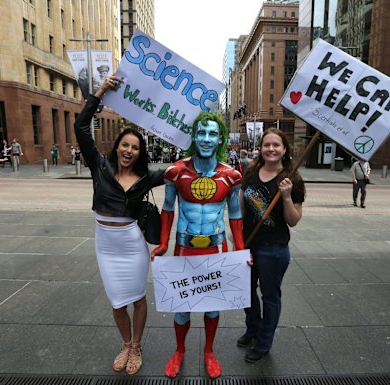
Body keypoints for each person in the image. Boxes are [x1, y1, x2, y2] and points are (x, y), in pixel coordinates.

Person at [74, 74, 165, 376]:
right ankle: (125, 343)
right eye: (125, 145)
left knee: (137, 298)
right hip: (106, 246)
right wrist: (99, 92)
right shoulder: (99, 166)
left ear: (140, 153)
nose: (129, 150)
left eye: (135, 148)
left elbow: (181, 168)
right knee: (116, 303)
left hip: (131, 245)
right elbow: (80, 127)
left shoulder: (146, 178)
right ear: (117, 147)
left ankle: (136, 347)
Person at [150, 111, 246, 379]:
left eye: (212, 134)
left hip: (216, 249)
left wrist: (239, 250)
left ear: (220, 140)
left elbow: (235, 215)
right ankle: (179, 350)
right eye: (201, 133)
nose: (206, 138)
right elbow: (168, 208)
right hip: (184, 248)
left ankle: (209, 351)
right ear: (193, 136)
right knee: (182, 307)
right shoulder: (176, 172)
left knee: (213, 306)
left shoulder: (232, 176)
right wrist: (162, 243)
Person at [237, 128, 305, 363]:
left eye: (276, 145)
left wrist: (286, 196)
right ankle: (253, 328)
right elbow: (241, 210)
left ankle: (264, 342)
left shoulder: (291, 179)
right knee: (245, 292)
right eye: (267, 145)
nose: (271, 149)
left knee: (269, 296)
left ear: (284, 149)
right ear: (260, 148)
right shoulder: (251, 172)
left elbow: (293, 220)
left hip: (273, 249)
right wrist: (236, 241)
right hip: (248, 245)